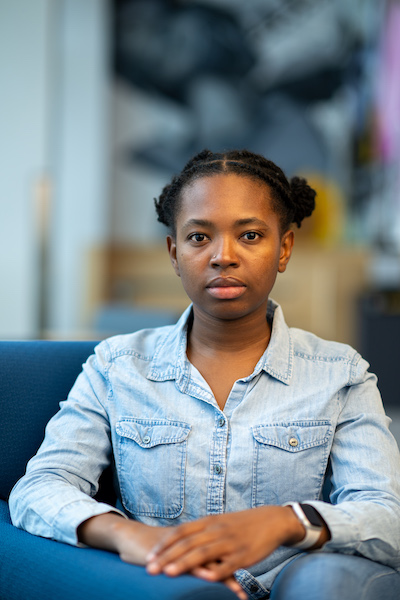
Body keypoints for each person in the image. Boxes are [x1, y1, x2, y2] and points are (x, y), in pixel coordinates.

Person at [9, 149, 400, 600]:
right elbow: (40, 486)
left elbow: (386, 518)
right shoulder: (116, 366)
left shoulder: (339, 373)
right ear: (174, 252)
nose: (223, 257)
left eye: (250, 235)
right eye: (199, 238)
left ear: (284, 248)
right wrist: (130, 537)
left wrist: (285, 521)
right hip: (163, 585)